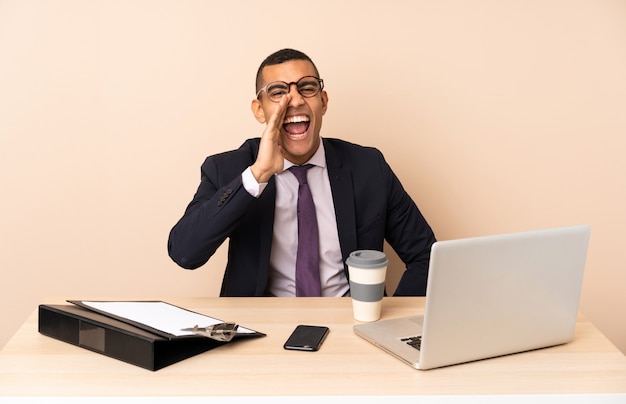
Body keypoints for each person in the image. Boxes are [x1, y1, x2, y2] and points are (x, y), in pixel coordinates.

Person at [168, 48, 436, 297]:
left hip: (352, 328)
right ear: (259, 110)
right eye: (277, 91)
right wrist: (257, 175)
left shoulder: (368, 167)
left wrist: (389, 323)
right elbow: (184, 253)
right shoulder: (228, 169)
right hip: (263, 331)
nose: (294, 100)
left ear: (323, 101)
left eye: (307, 88)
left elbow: (426, 256)